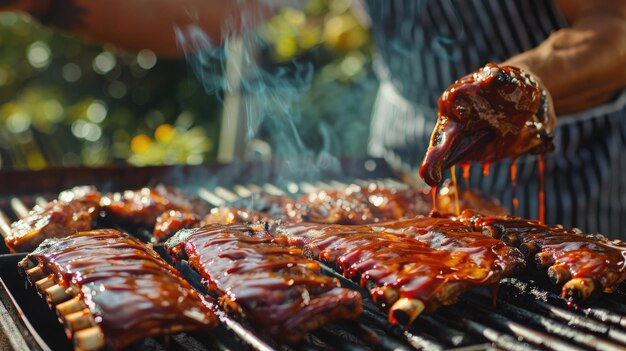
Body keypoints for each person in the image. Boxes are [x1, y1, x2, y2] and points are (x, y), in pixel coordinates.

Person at [3, 0, 626, 238]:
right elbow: (214, 13)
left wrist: (512, 92)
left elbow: (614, 22)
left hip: (567, 162)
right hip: (409, 159)